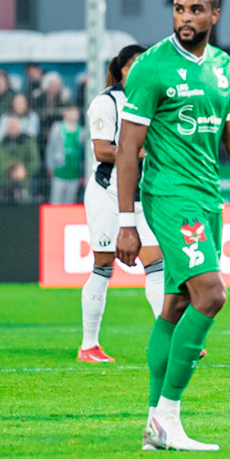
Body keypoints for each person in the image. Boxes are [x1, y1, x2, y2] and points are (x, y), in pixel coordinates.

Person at [115, 0, 230, 451]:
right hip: (170, 196)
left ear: (214, 16)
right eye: (178, 9)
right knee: (212, 295)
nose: (185, 17)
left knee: (176, 305)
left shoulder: (224, 68)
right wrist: (127, 223)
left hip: (209, 199)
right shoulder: (151, 67)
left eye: (195, 10)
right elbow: (129, 148)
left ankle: (154, 424)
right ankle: (169, 416)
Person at [78, 45, 166, 363]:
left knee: (157, 265)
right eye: (137, 65)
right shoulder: (106, 102)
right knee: (103, 266)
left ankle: (168, 338)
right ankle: (89, 345)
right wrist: (137, 152)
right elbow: (102, 150)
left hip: (141, 195)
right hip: (108, 193)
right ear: (124, 69)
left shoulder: (154, 100)